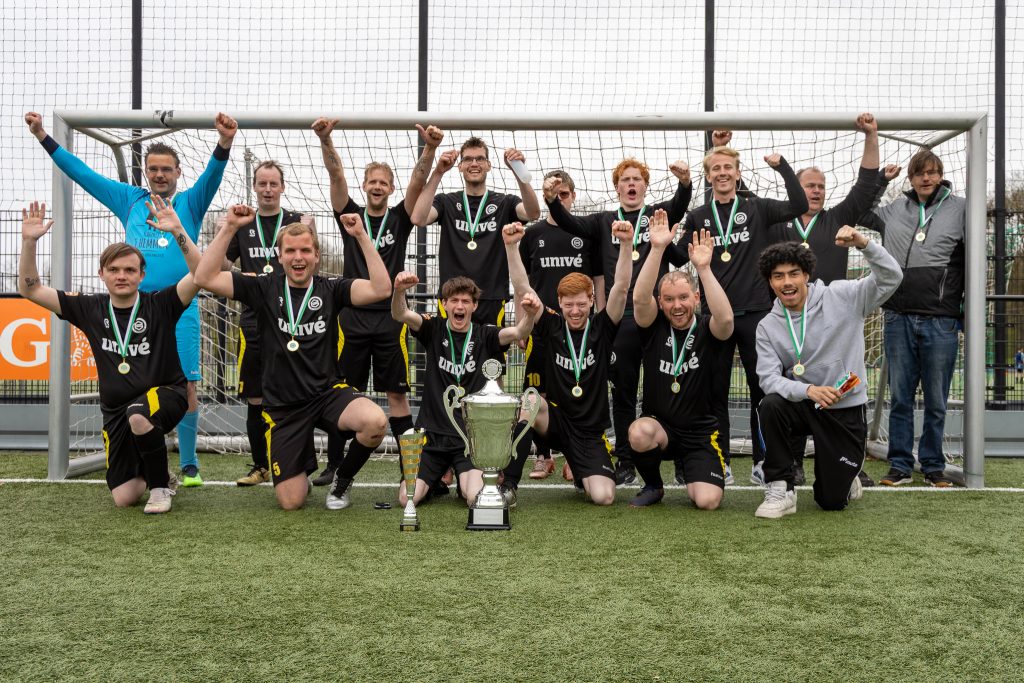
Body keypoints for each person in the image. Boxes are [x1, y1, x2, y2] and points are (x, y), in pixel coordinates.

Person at [25, 111, 239, 487]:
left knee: (187, 385)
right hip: (132, 311)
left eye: (166, 169)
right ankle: (146, 463)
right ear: (145, 171)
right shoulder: (130, 200)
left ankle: (189, 465)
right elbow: (83, 174)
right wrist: (44, 136)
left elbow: (213, 174)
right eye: (153, 169)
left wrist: (224, 141)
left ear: (178, 172)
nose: (159, 175)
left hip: (179, 308)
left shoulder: (189, 203)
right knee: (136, 388)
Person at [194, 207, 391, 510]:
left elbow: (382, 288)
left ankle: (342, 480)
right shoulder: (263, 287)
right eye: (290, 251)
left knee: (375, 421)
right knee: (291, 502)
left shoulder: (331, 289)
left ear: (317, 256)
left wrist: (362, 236)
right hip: (283, 407)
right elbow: (204, 276)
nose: (298, 257)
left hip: (326, 394)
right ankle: (298, 469)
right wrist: (230, 227)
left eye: (305, 251)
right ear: (280, 256)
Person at [19, 198, 203, 513]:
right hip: (116, 411)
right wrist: (29, 243)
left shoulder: (161, 304)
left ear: (142, 275)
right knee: (124, 496)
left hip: (168, 394)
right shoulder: (89, 308)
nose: (122, 275)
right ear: (101, 273)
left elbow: (201, 275)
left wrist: (178, 232)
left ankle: (160, 489)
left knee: (139, 414)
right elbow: (31, 289)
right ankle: (157, 470)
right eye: (114, 270)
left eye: (130, 270)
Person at [543, 157, 693, 486]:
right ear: (617, 187)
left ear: (645, 186)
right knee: (623, 393)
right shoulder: (604, 221)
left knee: (665, 390)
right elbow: (570, 222)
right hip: (620, 320)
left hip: (654, 320)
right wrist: (552, 201)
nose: (631, 184)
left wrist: (685, 183)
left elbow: (679, 205)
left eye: (637, 179)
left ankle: (682, 458)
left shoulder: (657, 217)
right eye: (625, 179)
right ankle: (625, 459)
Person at [310, 118, 443, 486]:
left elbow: (418, 183)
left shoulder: (400, 218)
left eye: (384, 182)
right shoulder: (350, 215)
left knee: (397, 396)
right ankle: (334, 466)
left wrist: (429, 149)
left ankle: (409, 470)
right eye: (373, 182)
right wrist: (326, 140)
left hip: (390, 318)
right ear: (365, 185)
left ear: (391, 188)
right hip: (351, 318)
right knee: (342, 394)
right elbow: (336, 176)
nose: (378, 187)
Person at [767, 113, 884, 486]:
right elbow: (739, 197)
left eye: (820, 186)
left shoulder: (837, 218)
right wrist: (722, 145)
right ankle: (793, 463)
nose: (816, 191)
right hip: (793, 322)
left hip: (836, 321)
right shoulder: (778, 222)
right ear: (796, 189)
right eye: (809, 185)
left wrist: (871, 136)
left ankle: (850, 463)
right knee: (793, 383)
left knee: (844, 387)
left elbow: (866, 185)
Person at [681, 145, 807, 486]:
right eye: (716, 168)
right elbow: (677, 254)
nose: (722, 173)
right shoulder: (698, 216)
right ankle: (719, 461)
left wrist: (783, 168)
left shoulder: (757, 207)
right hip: (716, 318)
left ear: (738, 173)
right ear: (708, 176)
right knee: (715, 392)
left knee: (762, 391)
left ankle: (763, 461)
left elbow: (799, 205)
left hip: (756, 315)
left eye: (728, 167)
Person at [753, 228, 902, 518]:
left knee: (831, 500)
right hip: (805, 404)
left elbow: (891, 277)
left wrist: (865, 245)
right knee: (770, 405)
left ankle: (846, 476)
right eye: (778, 276)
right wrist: (808, 390)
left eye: (794, 274)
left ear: (806, 275)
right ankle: (781, 488)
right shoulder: (767, 326)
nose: (787, 282)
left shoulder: (843, 296)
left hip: (843, 407)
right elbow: (768, 379)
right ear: (770, 282)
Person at [500, 215, 634, 506]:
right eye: (569, 304)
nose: (575, 311)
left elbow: (621, 287)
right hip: (557, 424)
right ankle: (509, 485)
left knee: (603, 497)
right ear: (559, 303)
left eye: (582, 303)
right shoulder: (551, 325)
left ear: (591, 301)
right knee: (530, 401)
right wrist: (511, 247)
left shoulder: (602, 327)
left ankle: (579, 470)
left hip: (589, 434)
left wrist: (626, 245)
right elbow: (523, 288)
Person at [859, 151, 966, 487]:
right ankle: (901, 466)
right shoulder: (894, 210)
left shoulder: (962, 209)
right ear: (911, 178)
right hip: (897, 317)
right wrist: (881, 181)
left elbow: (974, 256)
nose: (926, 178)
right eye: (920, 173)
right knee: (901, 398)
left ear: (941, 175)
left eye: (932, 172)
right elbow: (860, 211)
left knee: (936, 400)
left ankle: (933, 466)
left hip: (940, 319)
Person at [391, 273, 540, 509]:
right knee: (406, 498)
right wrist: (399, 290)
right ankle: (434, 483)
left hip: (468, 439)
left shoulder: (485, 335)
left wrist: (530, 314)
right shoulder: (433, 328)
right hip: (433, 436)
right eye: (454, 300)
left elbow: (518, 333)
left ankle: (461, 483)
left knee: (474, 497)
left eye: (465, 301)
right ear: (444, 304)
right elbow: (400, 314)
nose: (459, 306)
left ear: (474, 306)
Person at [627, 213, 734, 509]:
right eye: (669, 299)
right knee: (639, 432)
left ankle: (691, 467)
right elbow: (639, 299)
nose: (677, 306)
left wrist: (704, 268)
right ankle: (653, 485)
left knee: (707, 501)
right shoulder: (653, 327)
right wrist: (657, 249)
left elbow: (727, 320)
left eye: (684, 297)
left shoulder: (708, 328)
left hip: (701, 433)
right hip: (662, 428)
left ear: (696, 298)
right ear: (661, 302)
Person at [225, 160, 316, 486]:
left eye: (273, 184)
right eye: (261, 184)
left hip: (291, 322)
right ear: (254, 187)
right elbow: (220, 267)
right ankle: (260, 465)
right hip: (253, 322)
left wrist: (313, 230)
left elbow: (312, 264)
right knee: (255, 396)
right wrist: (226, 230)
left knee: (297, 392)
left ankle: (301, 465)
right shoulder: (243, 222)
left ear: (282, 187)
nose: (267, 190)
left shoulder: (295, 222)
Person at [517, 170, 604, 481]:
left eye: (564, 194)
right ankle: (543, 456)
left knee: (576, 390)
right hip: (544, 327)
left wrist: (600, 315)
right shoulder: (532, 234)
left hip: (580, 329)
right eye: (553, 194)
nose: (560, 198)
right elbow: (522, 283)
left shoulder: (586, 233)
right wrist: (521, 321)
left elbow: (598, 279)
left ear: (572, 196)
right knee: (535, 391)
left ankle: (574, 456)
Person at [409, 136, 541, 325]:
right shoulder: (447, 201)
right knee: (450, 345)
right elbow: (418, 218)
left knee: (491, 346)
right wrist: (438, 172)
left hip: (492, 298)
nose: (474, 163)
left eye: (480, 159)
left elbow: (533, 213)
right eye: (468, 159)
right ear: (460, 166)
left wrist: (519, 171)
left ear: (488, 165)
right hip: (453, 299)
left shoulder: (504, 202)